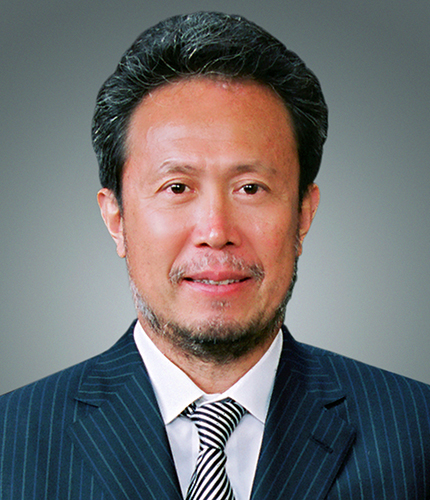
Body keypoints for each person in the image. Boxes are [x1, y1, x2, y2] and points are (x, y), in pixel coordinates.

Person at [1, 11, 429, 500]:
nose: (216, 232)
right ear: (116, 218)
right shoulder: (11, 440)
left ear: (303, 213)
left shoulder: (416, 432)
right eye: (177, 187)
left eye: (250, 188)